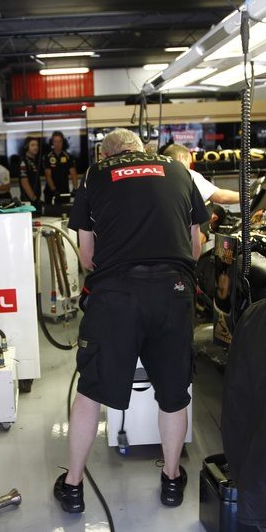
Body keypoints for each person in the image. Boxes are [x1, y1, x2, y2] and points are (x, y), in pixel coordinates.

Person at [56, 128, 208, 512]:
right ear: (143, 150)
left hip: (116, 297)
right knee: (174, 395)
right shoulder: (178, 170)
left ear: (106, 156)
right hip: (174, 292)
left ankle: (73, 486)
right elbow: (195, 246)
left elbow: (88, 256)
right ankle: (172, 480)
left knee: (91, 392)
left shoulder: (95, 176)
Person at [162, 143, 241, 205]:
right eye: (188, 162)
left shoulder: (156, 173)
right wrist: (247, 196)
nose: (189, 166)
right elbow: (222, 197)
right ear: (181, 157)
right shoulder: (187, 174)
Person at [42, 131, 78, 206]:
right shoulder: (47, 157)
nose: (57, 144)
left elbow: (73, 174)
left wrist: (75, 188)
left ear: (63, 142)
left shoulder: (68, 156)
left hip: (64, 191)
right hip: (50, 192)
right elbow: (48, 175)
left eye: (59, 141)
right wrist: (53, 190)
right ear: (52, 142)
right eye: (55, 141)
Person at [18, 136, 42, 208]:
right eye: (33, 145)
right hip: (28, 201)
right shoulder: (23, 162)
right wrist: (34, 199)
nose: (36, 147)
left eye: (37, 145)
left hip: (35, 199)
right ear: (26, 147)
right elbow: (24, 182)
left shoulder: (34, 161)